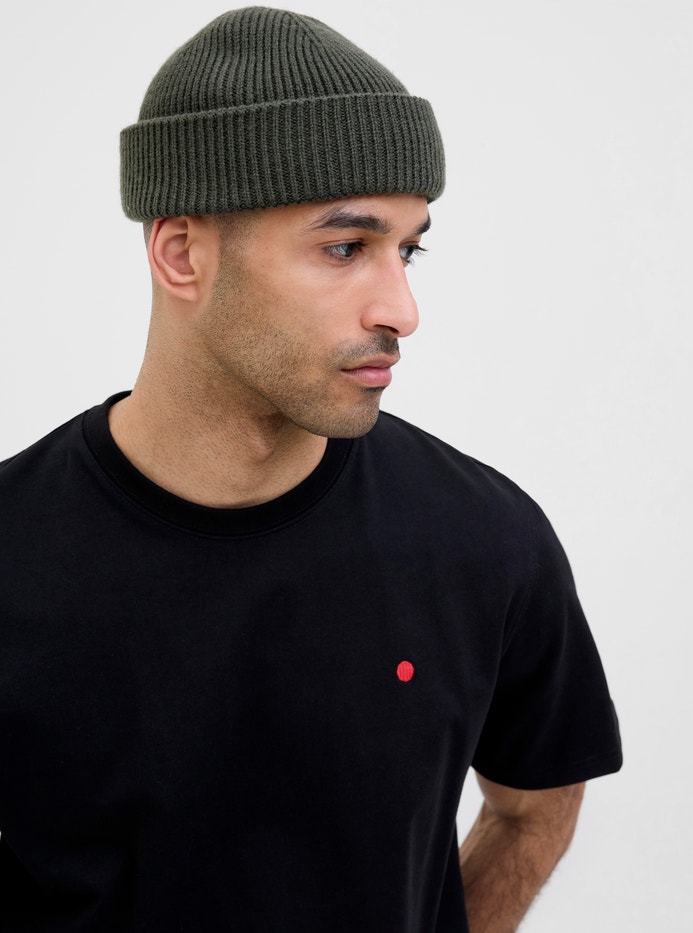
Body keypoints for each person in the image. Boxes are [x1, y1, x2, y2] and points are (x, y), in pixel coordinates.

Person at [0, 7, 622, 931]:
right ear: (182, 254)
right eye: (344, 248)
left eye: (408, 249)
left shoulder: (483, 540)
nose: (402, 308)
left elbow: (536, 802)